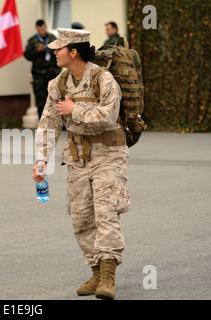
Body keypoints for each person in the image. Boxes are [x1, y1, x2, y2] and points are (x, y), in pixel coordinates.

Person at [32, 28, 129, 300]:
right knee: (81, 217)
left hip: (108, 154)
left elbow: (109, 116)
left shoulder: (104, 79)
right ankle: (96, 272)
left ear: (73, 52)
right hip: (77, 156)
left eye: (58, 48)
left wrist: (75, 110)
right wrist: (41, 160)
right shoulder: (58, 84)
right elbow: (48, 124)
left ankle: (108, 277)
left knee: (106, 213)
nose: (54, 52)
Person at [24, 19, 61, 118]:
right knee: (40, 100)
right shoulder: (32, 41)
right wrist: (37, 50)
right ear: (37, 28)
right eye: (40, 30)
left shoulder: (52, 38)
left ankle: (58, 122)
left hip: (52, 73)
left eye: (43, 29)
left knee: (55, 98)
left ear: (46, 27)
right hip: (39, 75)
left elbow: (60, 53)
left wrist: (58, 70)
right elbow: (27, 56)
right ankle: (43, 121)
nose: (42, 31)